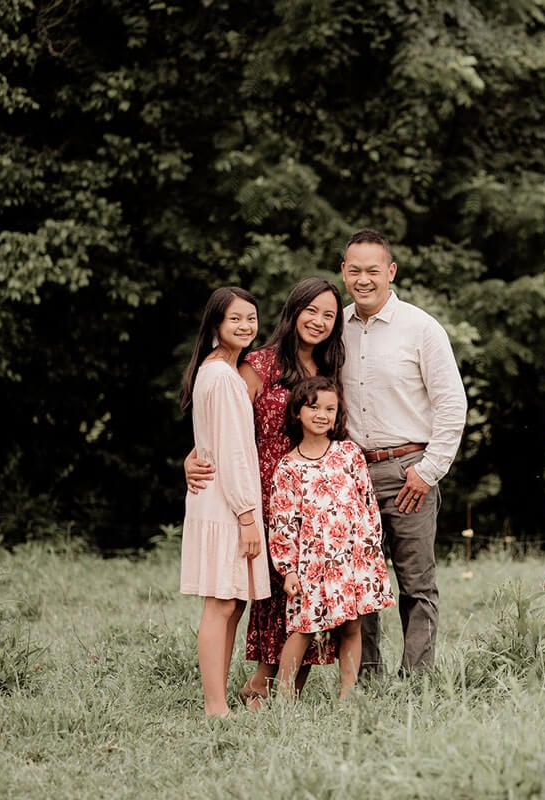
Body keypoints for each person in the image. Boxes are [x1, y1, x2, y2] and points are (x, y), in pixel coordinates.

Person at [185, 278, 346, 707]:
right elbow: (227, 426)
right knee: (269, 596)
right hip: (261, 491)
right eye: (311, 310)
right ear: (293, 311)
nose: (318, 321)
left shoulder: (331, 368)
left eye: (329, 314)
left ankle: (284, 686)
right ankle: (260, 682)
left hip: (314, 494)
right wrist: (193, 456)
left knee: (308, 590)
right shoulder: (258, 364)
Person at [340, 228, 467, 676]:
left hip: (409, 470)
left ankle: (417, 678)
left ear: (390, 272)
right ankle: (367, 676)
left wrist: (428, 471)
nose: (363, 279)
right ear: (343, 272)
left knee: (416, 583)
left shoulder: (421, 328)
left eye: (373, 270)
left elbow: (452, 405)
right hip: (351, 475)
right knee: (361, 584)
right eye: (354, 270)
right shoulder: (334, 327)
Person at [268, 376, 394, 698]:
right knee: (303, 629)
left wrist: (370, 551)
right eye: (314, 407)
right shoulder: (288, 467)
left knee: (352, 626)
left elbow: (367, 504)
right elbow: (282, 522)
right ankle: (283, 698)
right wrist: (289, 569)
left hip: (351, 559)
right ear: (298, 412)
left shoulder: (349, 454)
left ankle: (347, 695)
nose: (322, 414)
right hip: (311, 564)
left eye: (330, 408)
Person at [178, 286, 271, 717]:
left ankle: (218, 700)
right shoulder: (221, 377)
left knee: (231, 603)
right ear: (216, 324)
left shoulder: (219, 372)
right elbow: (233, 452)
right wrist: (248, 516)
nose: (245, 326)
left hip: (220, 501)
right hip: (225, 505)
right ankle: (215, 705)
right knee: (221, 604)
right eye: (235, 318)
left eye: (251, 318)